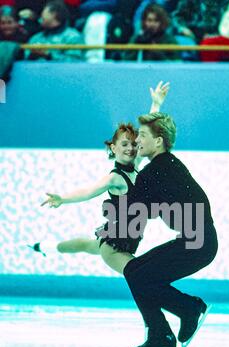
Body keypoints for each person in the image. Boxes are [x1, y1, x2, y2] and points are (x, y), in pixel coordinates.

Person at [34, 82, 170, 276]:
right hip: (114, 245)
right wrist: (63, 198)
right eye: (124, 144)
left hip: (122, 238)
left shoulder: (135, 166)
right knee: (143, 275)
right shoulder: (115, 178)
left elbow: (147, 130)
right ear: (113, 148)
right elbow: (89, 191)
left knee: (84, 244)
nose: (130, 148)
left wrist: (156, 105)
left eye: (133, 144)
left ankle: (45, 246)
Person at [122, 113, 218, 347]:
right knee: (136, 272)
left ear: (159, 141)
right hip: (197, 241)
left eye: (142, 136)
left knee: (138, 274)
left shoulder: (157, 170)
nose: (136, 140)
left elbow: (131, 209)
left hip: (197, 243)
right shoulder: (167, 165)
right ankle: (161, 335)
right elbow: (145, 209)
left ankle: (187, 310)